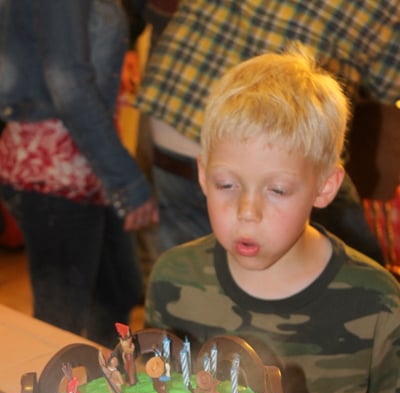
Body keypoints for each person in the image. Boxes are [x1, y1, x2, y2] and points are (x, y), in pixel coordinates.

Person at [145, 46, 400, 393]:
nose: (247, 212)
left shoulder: (379, 306)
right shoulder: (174, 280)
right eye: (226, 184)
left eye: (277, 190)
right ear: (203, 174)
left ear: (324, 187)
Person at [135, 0, 400, 262]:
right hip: (280, 140)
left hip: (177, 105)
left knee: (194, 267)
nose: (247, 212)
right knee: (354, 263)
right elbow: (386, 86)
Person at [0, 0, 158, 347]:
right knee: (59, 325)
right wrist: (128, 182)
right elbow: (69, 85)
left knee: (118, 290)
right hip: (56, 169)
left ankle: (108, 391)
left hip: (83, 161)